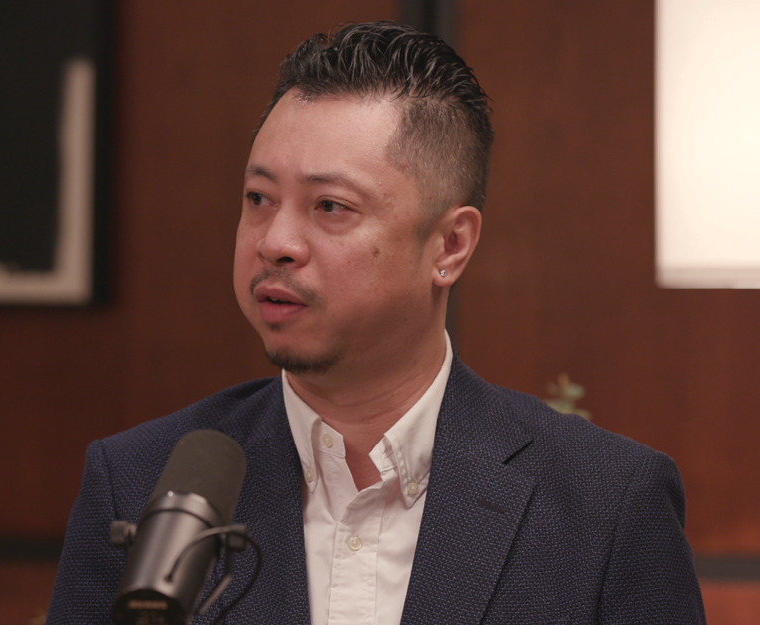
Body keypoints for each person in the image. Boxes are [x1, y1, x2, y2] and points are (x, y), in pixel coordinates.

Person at [47, 21, 706, 624]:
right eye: (258, 198)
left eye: (329, 206)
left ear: (449, 246)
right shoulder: (137, 481)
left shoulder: (606, 502)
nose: (275, 240)